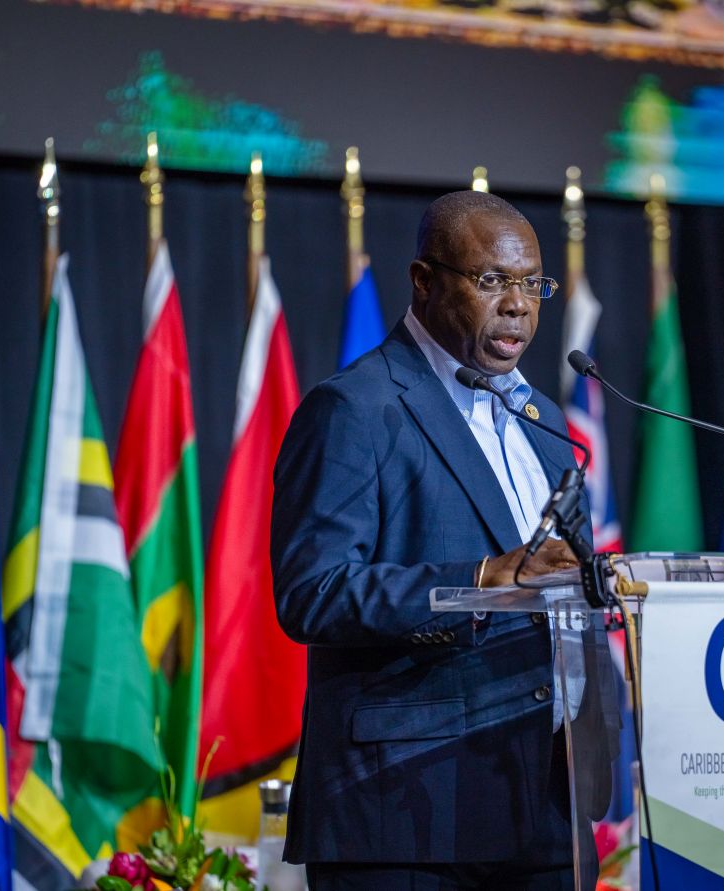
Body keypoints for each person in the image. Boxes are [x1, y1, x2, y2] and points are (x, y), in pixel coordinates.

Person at [271, 191, 618, 890]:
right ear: (424, 282)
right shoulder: (355, 408)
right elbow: (312, 592)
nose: (518, 304)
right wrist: (488, 576)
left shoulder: (541, 416)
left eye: (531, 283)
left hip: (544, 798)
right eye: (491, 280)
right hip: (404, 810)